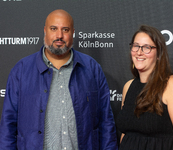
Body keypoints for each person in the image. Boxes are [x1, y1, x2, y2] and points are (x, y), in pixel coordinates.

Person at [0, 9, 118, 150]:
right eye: (53, 29)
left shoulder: (92, 68)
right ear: (45, 30)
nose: (59, 36)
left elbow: (106, 122)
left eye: (65, 30)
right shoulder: (21, 70)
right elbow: (8, 123)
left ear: (73, 33)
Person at [116, 25, 173, 150]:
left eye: (146, 47)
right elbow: (127, 134)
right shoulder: (128, 86)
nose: (139, 52)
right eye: (136, 46)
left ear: (159, 54)